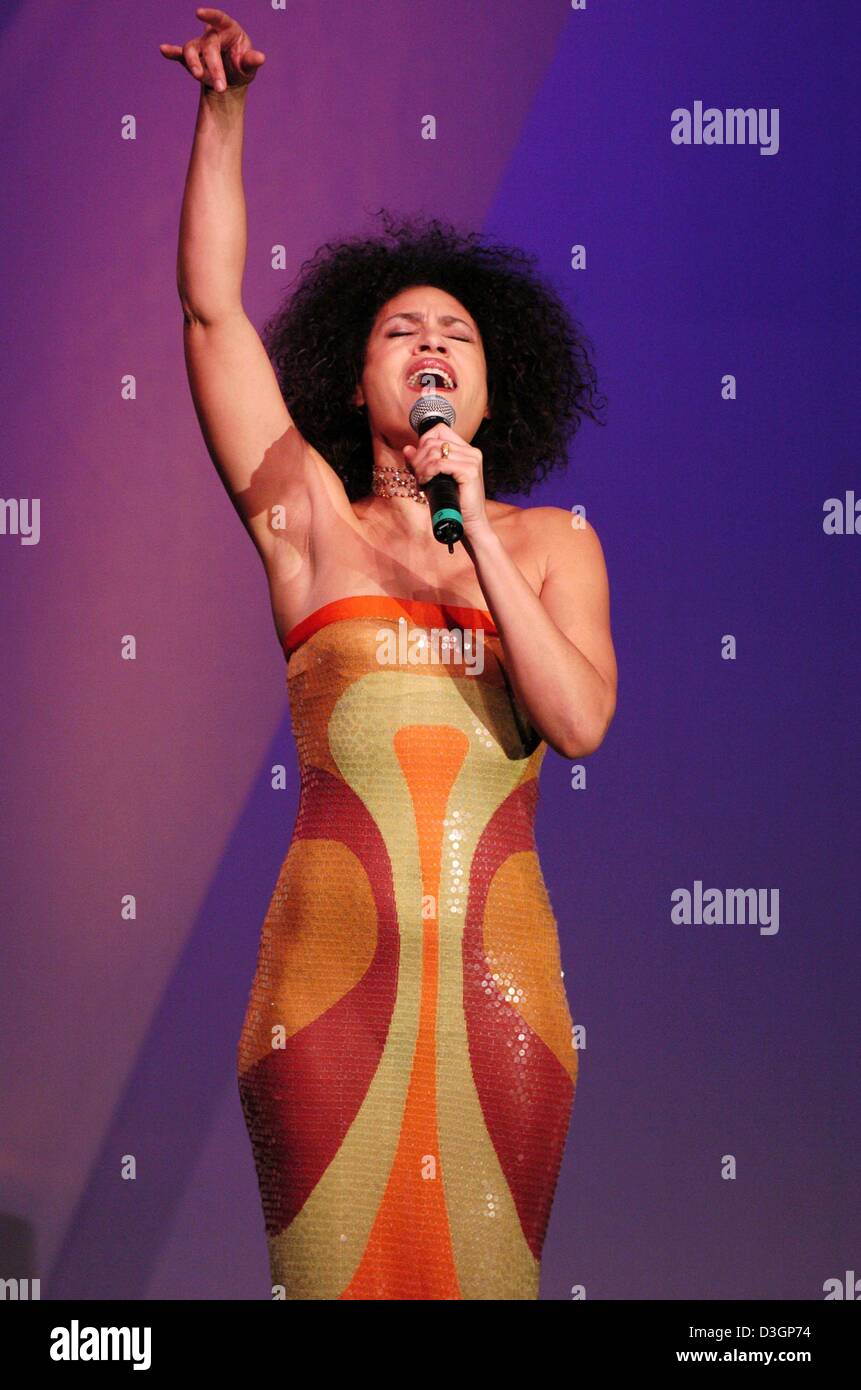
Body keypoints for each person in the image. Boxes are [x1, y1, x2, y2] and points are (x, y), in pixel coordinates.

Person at [162, 6, 617, 1300]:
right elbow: (209, 321)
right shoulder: (306, 527)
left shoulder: (548, 547)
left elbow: (576, 723)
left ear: (487, 393)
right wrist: (224, 115)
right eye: (399, 333)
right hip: (325, 998)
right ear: (356, 379)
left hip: (503, 999)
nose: (428, 347)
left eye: (456, 338)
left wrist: (470, 532)